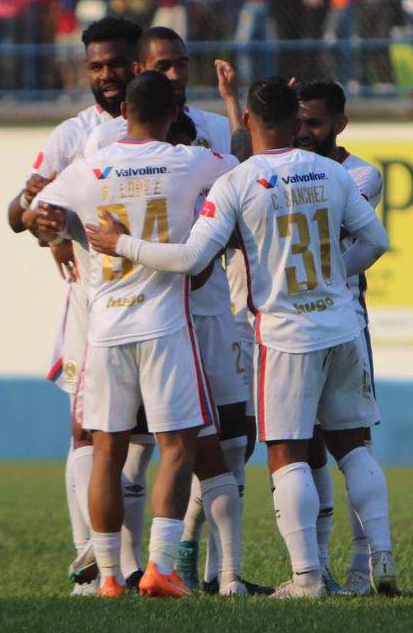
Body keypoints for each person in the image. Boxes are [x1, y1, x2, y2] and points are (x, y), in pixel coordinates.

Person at [87, 77, 389, 598]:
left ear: (247, 123)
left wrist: (122, 243)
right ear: (297, 123)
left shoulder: (237, 181)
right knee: (353, 448)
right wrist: (337, 279)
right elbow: (377, 240)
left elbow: (190, 259)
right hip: (343, 325)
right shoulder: (333, 174)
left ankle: (307, 579)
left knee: (287, 453)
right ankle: (380, 561)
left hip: (285, 333)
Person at [26, 72, 247, 598]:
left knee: (108, 449)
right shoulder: (190, 160)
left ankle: (106, 577)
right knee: (177, 446)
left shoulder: (88, 167)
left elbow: (39, 215)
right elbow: (240, 168)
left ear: (123, 110)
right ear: (174, 112)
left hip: (105, 329)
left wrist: (53, 230)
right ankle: (160, 567)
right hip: (165, 325)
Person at [6, 16, 140, 594]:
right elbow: (19, 212)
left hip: (164, 302)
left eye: (115, 64)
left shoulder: (172, 128)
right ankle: (92, 562)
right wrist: (44, 223)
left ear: (138, 65)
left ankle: (164, 564)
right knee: (87, 431)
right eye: (97, 66)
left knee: (166, 439)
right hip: (93, 300)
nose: (106, 76)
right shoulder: (73, 134)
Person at [294, 79, 398, 596]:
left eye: (314, 122)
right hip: (297, 325)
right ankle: (317, 564)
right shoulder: (288, 164)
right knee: (305, 444)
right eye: (297, 120)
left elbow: (330, 223)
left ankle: (365, 561)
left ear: (340, 123)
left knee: (353, 442)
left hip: (344, 321)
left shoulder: (360, 174)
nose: (304, 131)